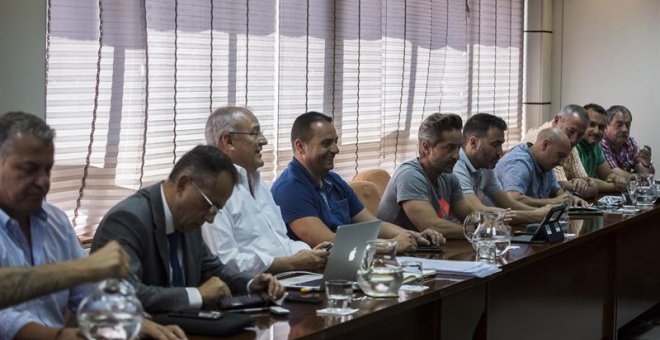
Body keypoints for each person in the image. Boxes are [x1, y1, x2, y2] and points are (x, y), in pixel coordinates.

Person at [0, 111, 184, 340]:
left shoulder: (55, 220)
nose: (43, 182)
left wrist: (131, 322)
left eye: (47, 169)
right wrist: (65, 336)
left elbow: (87, 294)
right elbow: (5, 319)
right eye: (29, 169)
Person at [92, 145, 284, 314]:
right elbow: (120, 293)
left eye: (217, 210)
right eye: (210, 205)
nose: (210, 218)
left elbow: (211, 268)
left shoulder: (187, 218)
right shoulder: (128, 220)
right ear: (183, 184)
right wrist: (196, 295)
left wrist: (250, 283)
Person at [271, 111, 444, 253]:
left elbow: (372, 225)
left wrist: (414, 236)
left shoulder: (333, 180)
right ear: (300, 147)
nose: (336, 149)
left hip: (352, 266)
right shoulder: (289, 189)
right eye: (326, 144)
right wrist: (390, 246)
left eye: (336, 142)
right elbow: (329, 242)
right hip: (317, 276)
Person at [202, 107, 328, 275]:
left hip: (292, 277)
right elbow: (225, 262)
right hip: (254, 288)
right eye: (255, 134)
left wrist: (307, 254)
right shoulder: (213, 191)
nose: (264, 141)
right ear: (228, 141)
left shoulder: (258, 182)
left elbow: (282, 241)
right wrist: (290, 263)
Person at [377, 113, 475, 239]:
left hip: (428, 251)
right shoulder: (409, 176)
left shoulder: (448, 176)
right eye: (449, 148)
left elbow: (470, 218)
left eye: (458, 148)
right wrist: (478, 232)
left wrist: (490, 226)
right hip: (399, 254)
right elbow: (433, 226)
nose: (456, 156)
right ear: (426, 147)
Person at [453, 113, 550, 224]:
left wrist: (544, 213)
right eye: (495, 145)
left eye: (501, 145)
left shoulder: (486, 165)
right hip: (453, 235)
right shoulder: (456, 166)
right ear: (474, 143)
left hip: (473, 232)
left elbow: (507, 202)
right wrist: (534, 215)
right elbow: (478, 211)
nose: (500, 152)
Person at [495, 128, 588, 207]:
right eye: (560, 155)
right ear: (545, 144)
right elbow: (514, 198)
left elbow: (556, 191)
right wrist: (554, 202)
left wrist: (571, 198)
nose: (561, 163)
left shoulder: (543, 162)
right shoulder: (519, 162)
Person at [523, 104, 598, 199]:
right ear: (557, 120)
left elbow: (590, 184)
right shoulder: (544, 139)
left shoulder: (566, 140)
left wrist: (581, 184)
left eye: (580, 135)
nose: (573, 140)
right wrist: (578, 186)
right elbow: (557, 187)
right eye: (571, 131)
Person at [575, 104, 629, 192]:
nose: (596, 131)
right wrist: (615, 187)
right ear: (581, 123)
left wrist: (617, 178)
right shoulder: (573, 145)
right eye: (591, 125)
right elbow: (585, 182)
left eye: (601, 127)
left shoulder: (595, 146)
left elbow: (607, 175)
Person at [600, 105, 654, 176]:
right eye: (619, 125)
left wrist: (647, 164)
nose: (625, 130)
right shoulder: (601, 142)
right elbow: (612, 172)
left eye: (628, 125)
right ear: (606, 126)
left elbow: (645, 173)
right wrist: (638, 178)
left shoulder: (630, 142)